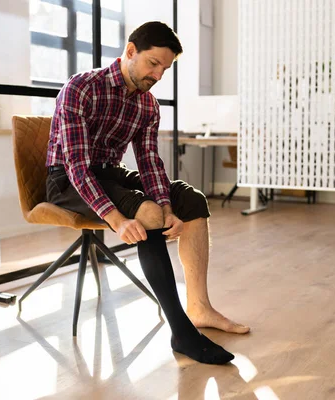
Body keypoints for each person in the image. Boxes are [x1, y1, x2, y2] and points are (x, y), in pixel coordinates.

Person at [45, 21, 249, 364]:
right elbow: (77, 167)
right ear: (130, 52)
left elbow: (150, 163)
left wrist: (169, 206)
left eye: (165, 68)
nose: (157, 74)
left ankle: (199, 308)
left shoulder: (147, 105)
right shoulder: (81, 88)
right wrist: (116, 219)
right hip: (65, 179)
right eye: (153, 63)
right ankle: (182, 332)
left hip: (110, 174)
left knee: (193, 201)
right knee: (148, 213)